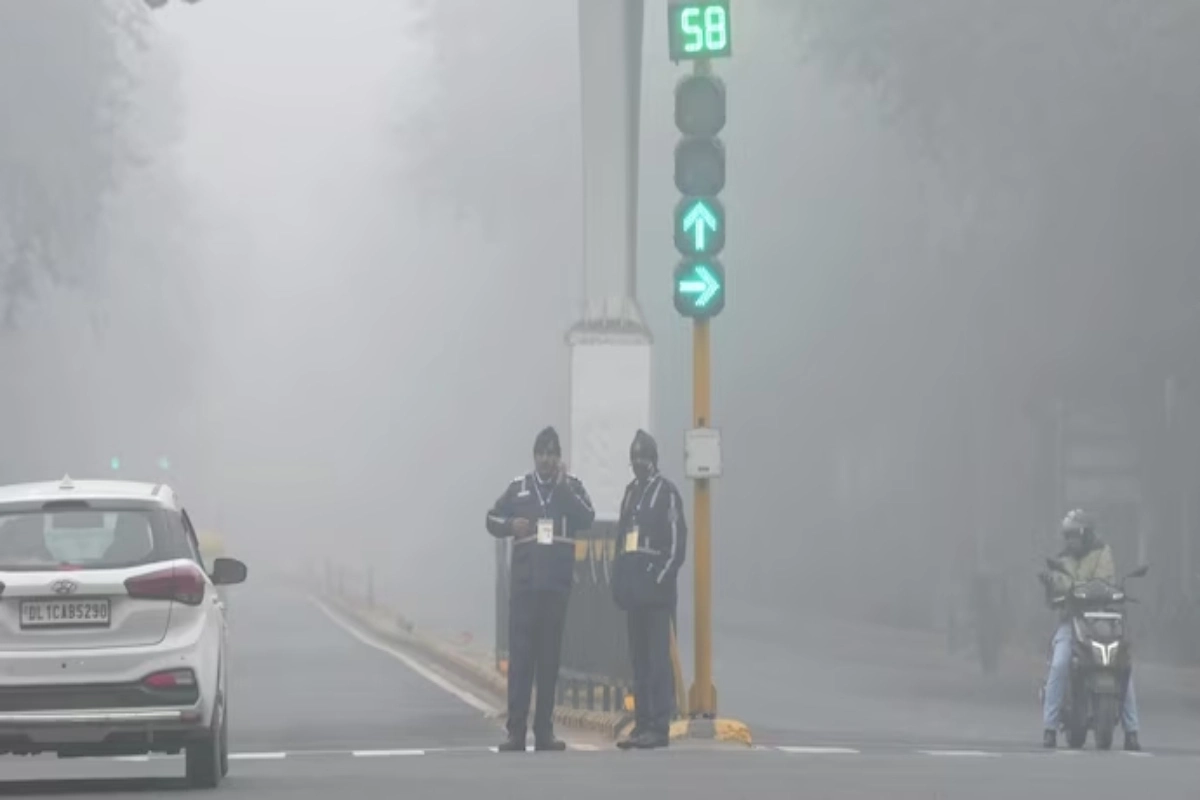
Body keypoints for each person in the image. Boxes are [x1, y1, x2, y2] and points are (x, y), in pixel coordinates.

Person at [486, 426, 595, 752]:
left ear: (559, 457)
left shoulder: (571, 488)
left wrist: (563, 490)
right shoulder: (518, 489)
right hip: (524, 590)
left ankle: (544, 731)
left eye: (552, 453)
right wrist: (509, 526)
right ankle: (515, 732)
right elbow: (490, 518)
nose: (547, 459)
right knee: (521, 662)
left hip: (556, 589)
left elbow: (586, 517)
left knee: (549, 662)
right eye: (542, 453)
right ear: (534, 456)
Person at [1039, 508, 1140, 751]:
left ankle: (1132, 731)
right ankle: (1049, 728)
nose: (1070, 540)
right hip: (1071, 621)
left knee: (1123, 665)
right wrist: (1053, 585)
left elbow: (1104, 580)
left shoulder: (1102, 552)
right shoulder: (1061, 560)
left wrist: (1080, 589)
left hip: (1103, 621)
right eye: (1067, 535)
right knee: (1060, 663)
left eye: (1074, 535)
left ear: (1086, 534)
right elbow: (1061, 585)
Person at [612, 429, 688, 750]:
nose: (638, 464)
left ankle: (659, 725)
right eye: (634, 458)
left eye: (643, 458)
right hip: (633, 592)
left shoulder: (666, 493)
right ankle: (642, 724)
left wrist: (658, 580)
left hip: (656, 595)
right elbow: (620, 540)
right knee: (639, 661)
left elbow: (676, 545)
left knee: (658, 661)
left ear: (653, 460)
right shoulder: (631, 493)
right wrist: (618, 579)